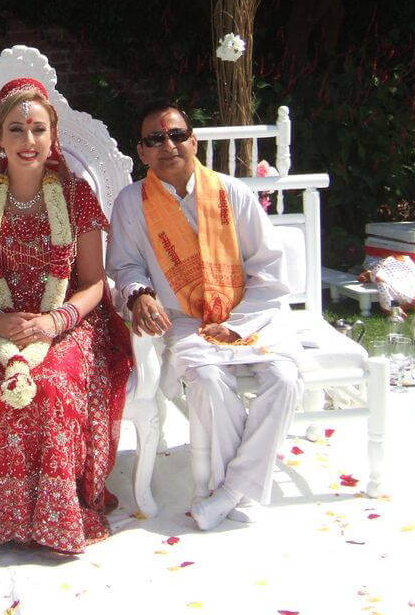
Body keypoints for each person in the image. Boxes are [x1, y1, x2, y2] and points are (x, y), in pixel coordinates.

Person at [0, 78, 132, 554]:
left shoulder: (77, 197)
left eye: (37, 129)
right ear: (0, 139)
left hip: (68, 323)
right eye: (16, 129)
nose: (28, 141)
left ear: (53, 137)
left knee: (50, 388)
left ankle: (56, 519)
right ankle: (0, 521)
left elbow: (94, 283)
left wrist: (56, 321)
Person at [106, 102, 301, 531]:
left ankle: (227, 491)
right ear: (142, 151)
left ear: (193, 141)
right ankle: (229, 490)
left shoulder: (234, 194)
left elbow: (267, 268)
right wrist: (138, 295)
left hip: (251, 314)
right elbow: (123, 267)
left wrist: (235, 323)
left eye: (176, 135)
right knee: (210, 381)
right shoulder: (130, 203)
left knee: (285, 380)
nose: (168, 146)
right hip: (186, 321)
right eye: (155, 139)